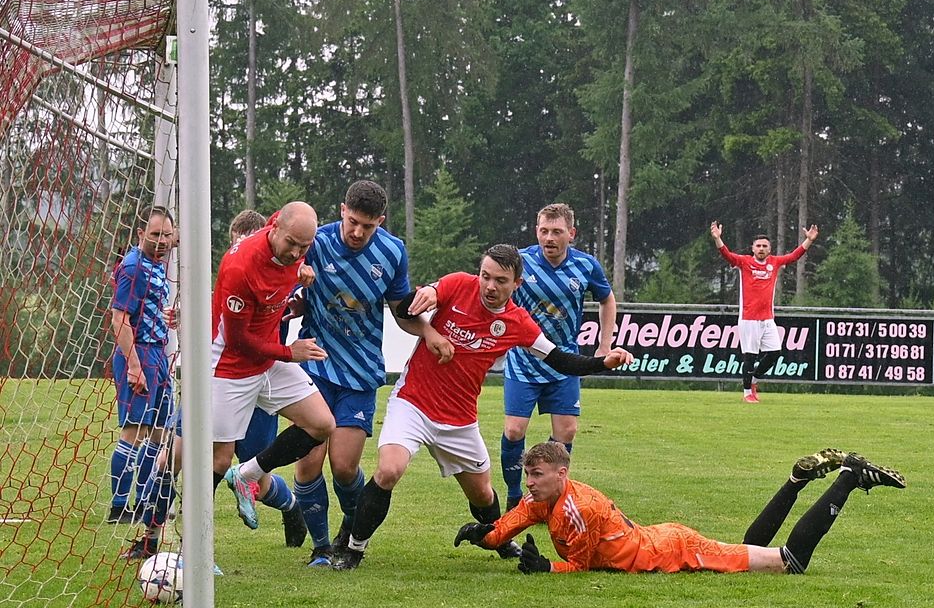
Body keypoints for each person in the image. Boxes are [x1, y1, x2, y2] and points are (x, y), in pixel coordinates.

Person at [328, 244, 636, 570]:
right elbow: (416, 302)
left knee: (483, 496)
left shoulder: (518, 322)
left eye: (500, 280)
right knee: (389, 470)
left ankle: (501, 540)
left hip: (460, 420)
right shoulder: (459, 284)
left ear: (517, 284)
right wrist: (429, 298)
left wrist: (603, 362)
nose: (489, 286)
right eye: (485, 276)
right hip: (413, 404)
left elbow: (561, 360)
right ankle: (353, 549)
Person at [120, 208, 308, 559]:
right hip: (219, 379)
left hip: (262, 383)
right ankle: (151, 538)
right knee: (171, 460)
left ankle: (290, 505)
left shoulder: (290, 272)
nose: (242, 253)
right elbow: (220, 313)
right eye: (235, 245)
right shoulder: (235, 273)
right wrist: (190, 313)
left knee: (255, 477)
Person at [284, 180, 446, 567]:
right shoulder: (316, 244)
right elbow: (283, 289)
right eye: (353, 222)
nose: (358, 232)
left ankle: (351, 530)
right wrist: (295, 287)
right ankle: (321, 548)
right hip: (316, 364)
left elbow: (400, 310)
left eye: (367, 226)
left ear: (381, 222)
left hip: (360, 371)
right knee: (307, 463)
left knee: (344, 466)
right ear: (342, 210)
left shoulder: (392, 252)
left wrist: (428, 330)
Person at [455, 442, 905, 575]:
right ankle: (796, 481)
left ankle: (850, 477)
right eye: (527, 475)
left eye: (536, 476)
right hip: (663, 538)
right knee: (748, 551)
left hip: (673, 552)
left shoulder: (580, 507)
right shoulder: (547, 499)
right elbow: (511, 522)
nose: (528, 484)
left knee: (788, 564)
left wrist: (546, 569)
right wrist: (486, 535)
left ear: (561, 474)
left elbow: (583, 566)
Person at [211, 201, 336, 532]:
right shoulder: (241, 267)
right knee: (218, 461)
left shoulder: (295, 248)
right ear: (274, 226)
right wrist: (288, 352)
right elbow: (238, 340)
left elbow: (297, 258)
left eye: (304, 247)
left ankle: (247, 475)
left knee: (322, 423)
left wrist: (303, 268)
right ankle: (196, 553)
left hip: (267, 361)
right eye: (291, 244)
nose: (295, 253)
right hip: (229, 366)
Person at [501, 203, 616, 510]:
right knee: (514, 430)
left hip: (564, 362)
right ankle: (515, 497)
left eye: (556, 231)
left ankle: (551, 497)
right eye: (543, 231)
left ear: (571, 234)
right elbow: (495, 292)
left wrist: (604, 346)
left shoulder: (586, 265)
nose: (549, 238)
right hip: (524, 360)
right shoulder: (521, 262)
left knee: (566, 431)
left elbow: (607, 300)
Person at [107, 205, 176, 524]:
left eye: (166, 235)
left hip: (159, 354)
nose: (161, 240)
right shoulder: (133, 267)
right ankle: (119, 507)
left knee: (161, 432)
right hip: (140, 355)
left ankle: (145, 500)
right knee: (135, 431)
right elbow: (119, 318)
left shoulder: (157, 261)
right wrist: (133, 365)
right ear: (139, 235)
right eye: (155, 234)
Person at [710, 221, 819, 403]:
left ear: (770, 249)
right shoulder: (744, 262)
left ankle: (754, 380)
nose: (761, 249)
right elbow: (727, 255)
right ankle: (747, 394)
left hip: (767, 319)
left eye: (764, 246)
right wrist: (718, 239)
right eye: (758, 246)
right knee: (750, 357)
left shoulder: (774, 263)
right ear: (752, 248)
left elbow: (793, 256)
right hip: (748, 318)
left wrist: (808, 241)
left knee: (775, 353)